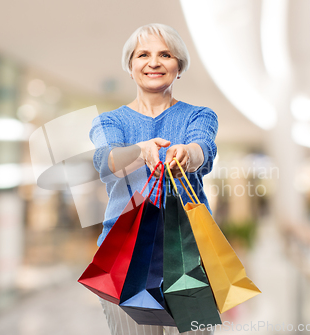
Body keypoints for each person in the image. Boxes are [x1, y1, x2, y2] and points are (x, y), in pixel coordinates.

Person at [89, 23, 218, 335]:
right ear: (131, 67)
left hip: (189, 255)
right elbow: (106, 160)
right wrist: (139, 151)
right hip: (125, 257)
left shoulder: (199, 116)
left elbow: (205, 150)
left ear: (179, 66)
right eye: (143, 54)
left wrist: (188, 154)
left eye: (166, 54)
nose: (154, 62)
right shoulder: (110, 121)